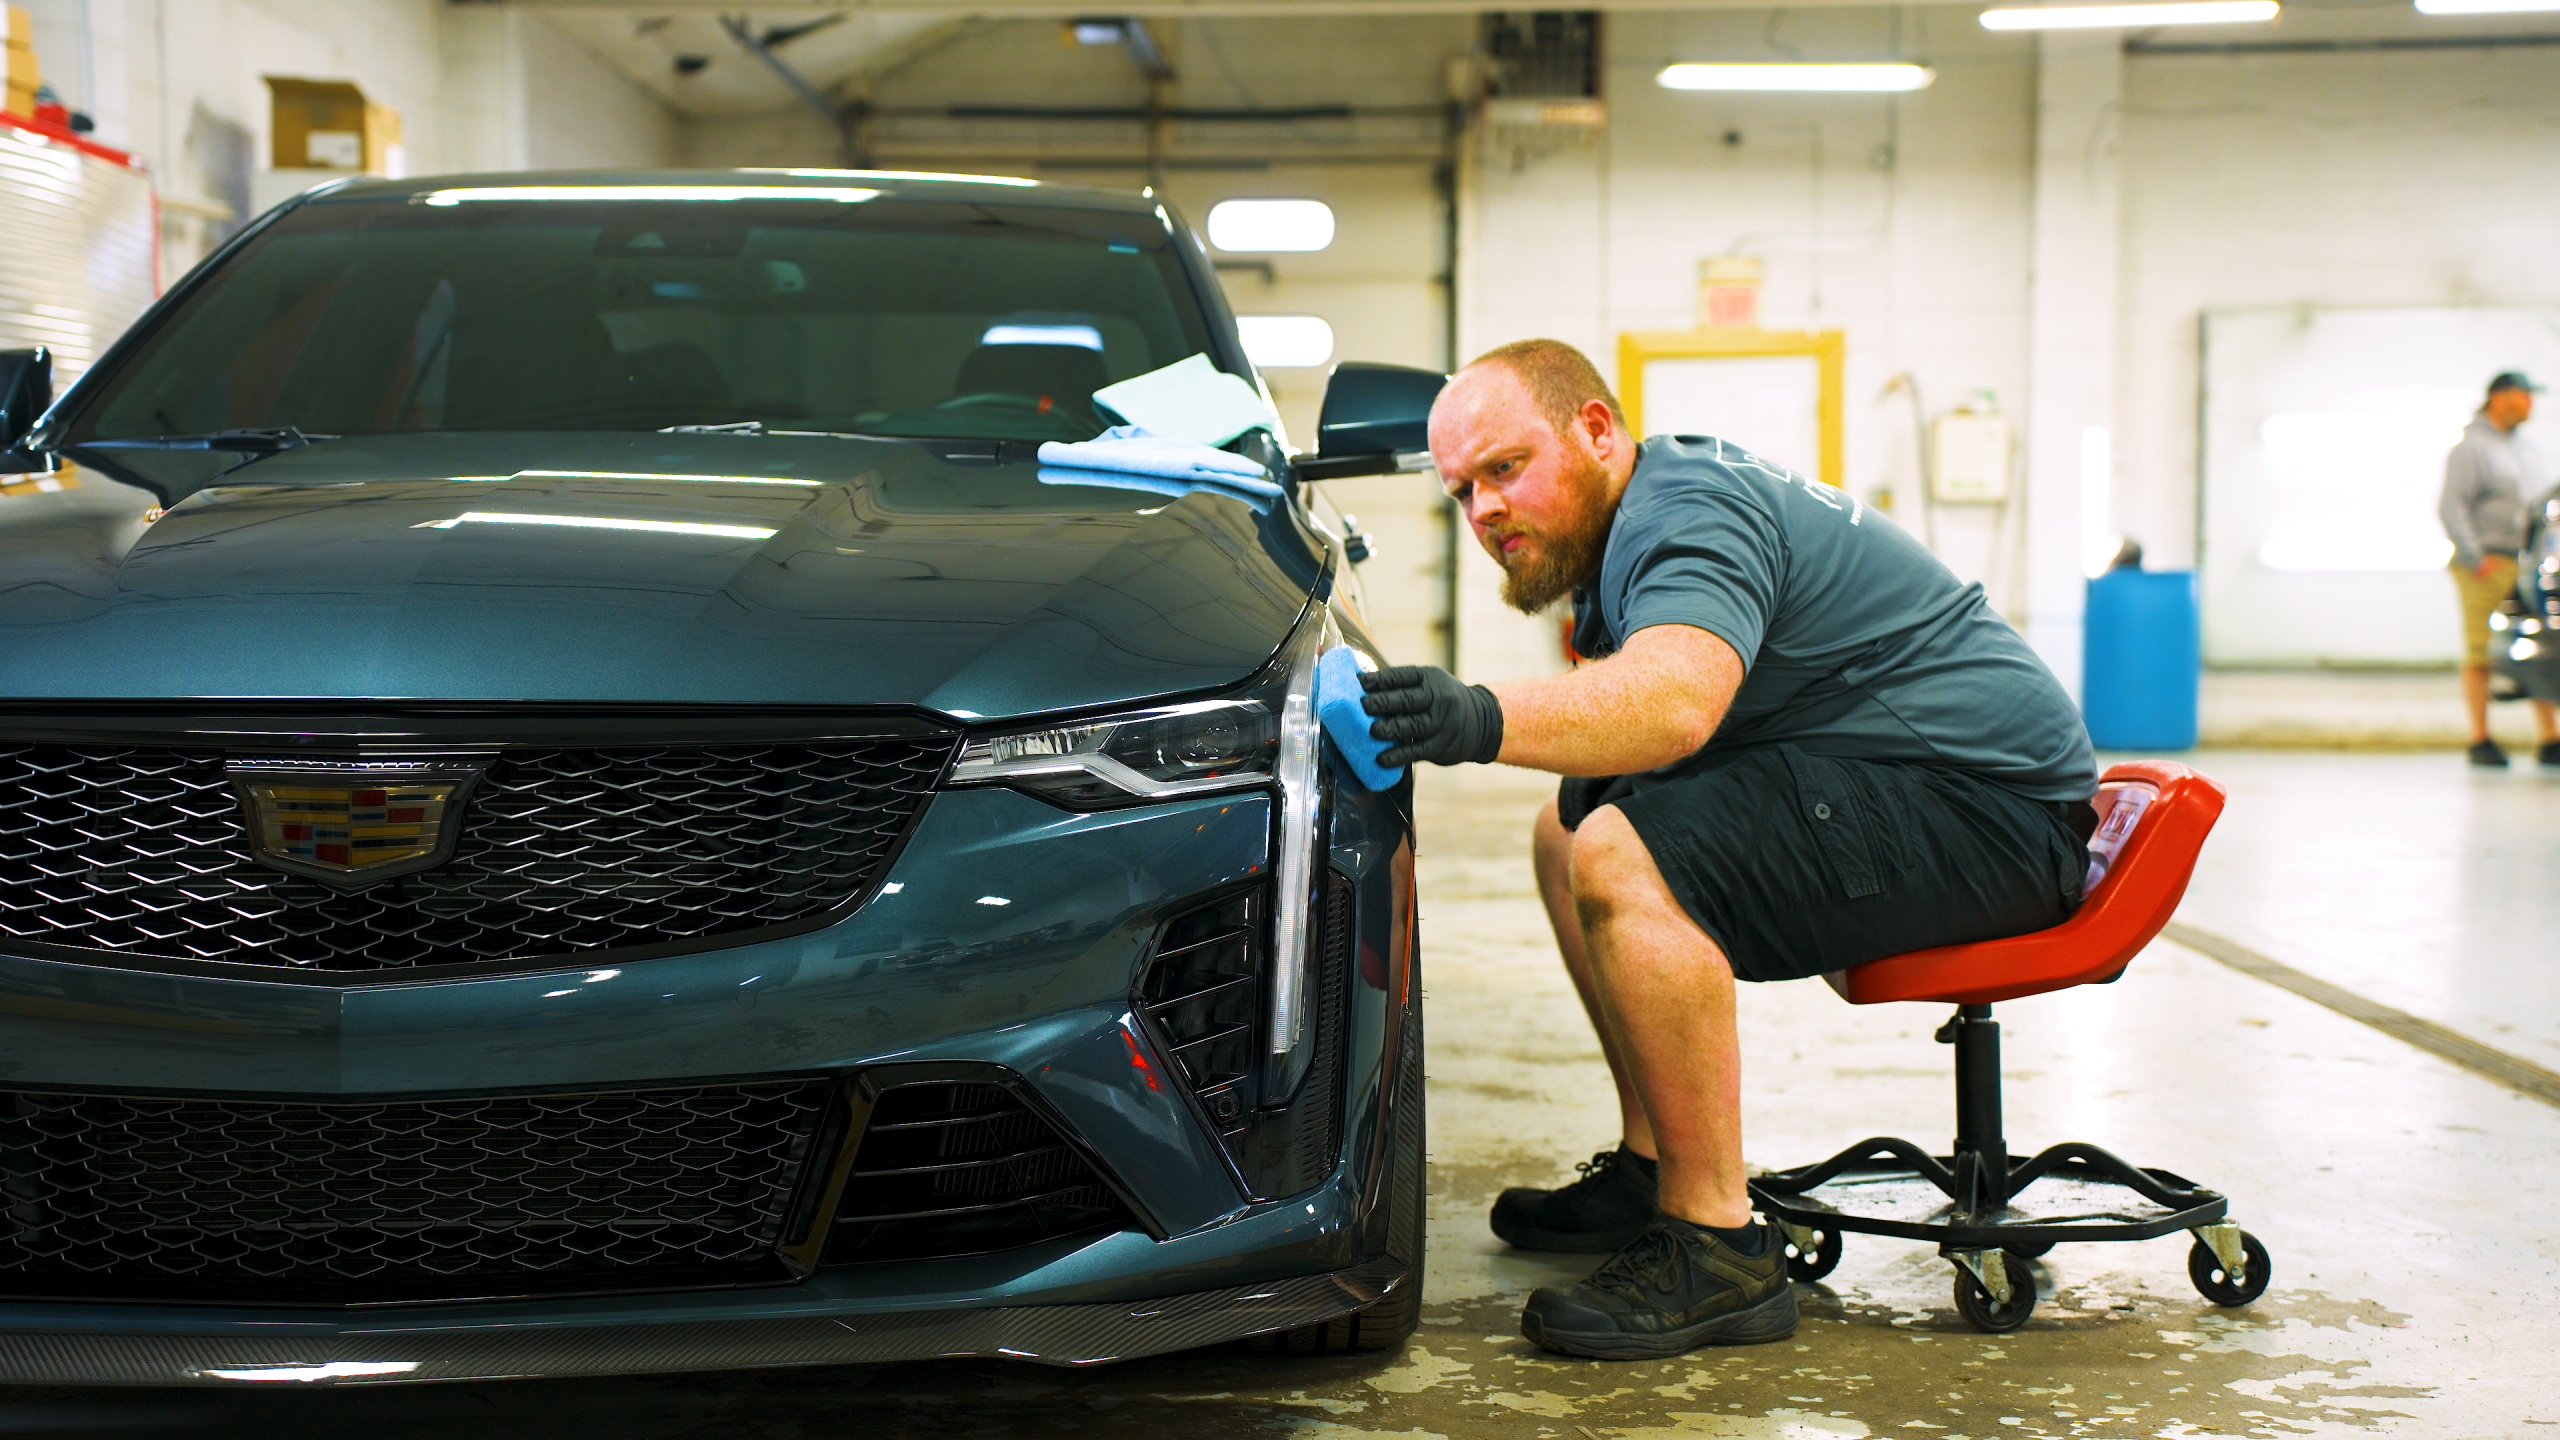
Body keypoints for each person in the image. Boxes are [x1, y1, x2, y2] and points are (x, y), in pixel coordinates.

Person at [1356, 339, 2095, 1361]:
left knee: (1621, 852)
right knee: (1566, 829)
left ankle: (1717, 1247)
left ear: (1597, 431)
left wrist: (1475, 717)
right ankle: (1651, 1164)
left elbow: (1674, 700)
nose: (1482, 511)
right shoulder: (1644, 515)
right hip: (1938, 790)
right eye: (1460, 492)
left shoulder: (1684, 512)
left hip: (1993, 820)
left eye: (1504, 468)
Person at [2438, 371, 2560, 768]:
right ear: (2501, 398)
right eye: (2525, 397)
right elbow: (2451, 507)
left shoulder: (2526, 449)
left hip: (2526, 565)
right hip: (2485, 565)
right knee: (2481, 650)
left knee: (2536, 647)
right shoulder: (2471, 447)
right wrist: (2475, 558)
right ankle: (2480, 737)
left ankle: (2549, 736)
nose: (2530, 405)